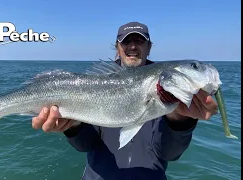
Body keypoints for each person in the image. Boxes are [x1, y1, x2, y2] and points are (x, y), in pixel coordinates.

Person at [31, 22, 218, 180]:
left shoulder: (166, 90)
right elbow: (85, 145)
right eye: (126, 41)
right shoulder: (99, 81)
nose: (133, 46)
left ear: (149, 47)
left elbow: (170, 154)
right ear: (117, 47)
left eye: (139, 41)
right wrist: (72, 126)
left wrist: (180, 121)